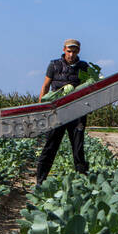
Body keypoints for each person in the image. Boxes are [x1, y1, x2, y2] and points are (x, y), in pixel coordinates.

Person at [35, 38, 90, 185]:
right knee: (50, 146)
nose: (71, 54)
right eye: (69, 51)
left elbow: (89, 88)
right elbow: (45, 87)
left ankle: (83, 180)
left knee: (78, 148)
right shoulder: (54, 65)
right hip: (56, 112)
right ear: (64, 49)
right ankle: (40, 181)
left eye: (74, 51)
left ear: (78, 51)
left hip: (77, 113)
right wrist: (41, 108)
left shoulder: (84, 67)